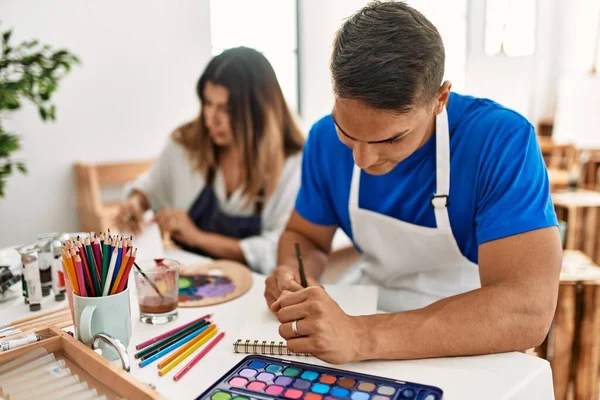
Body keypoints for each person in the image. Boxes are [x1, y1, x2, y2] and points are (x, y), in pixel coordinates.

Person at [264, 1, 562, 364]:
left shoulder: (499, 141)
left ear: (439, 100)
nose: (363, 159)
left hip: (473, 339)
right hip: (364, 313)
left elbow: (526, 310)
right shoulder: (324, 139)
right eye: (348, 132)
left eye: (390, 140)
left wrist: (361, 336)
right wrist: (296, 276)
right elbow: (305, 237)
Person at [116, 47, 304, 274]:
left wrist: (197, 237)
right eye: (207, 103)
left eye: (226, 109)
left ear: (259, 111)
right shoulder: (183, 145)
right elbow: (149, 189)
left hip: (255, 290)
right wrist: (135, 203)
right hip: (189, 284)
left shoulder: (293, 162)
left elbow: (278, 250)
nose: (211, 119)